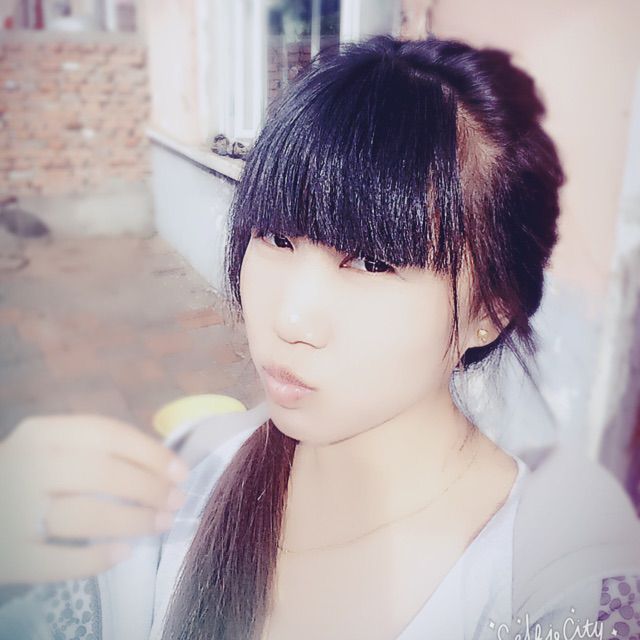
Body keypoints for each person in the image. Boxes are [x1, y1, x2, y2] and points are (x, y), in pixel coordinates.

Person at [1, 34, 640, 640]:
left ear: (491, 311)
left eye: (373, 263)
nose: (290, 320)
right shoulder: (188, 478)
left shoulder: (552, 575)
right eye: (276, 237)